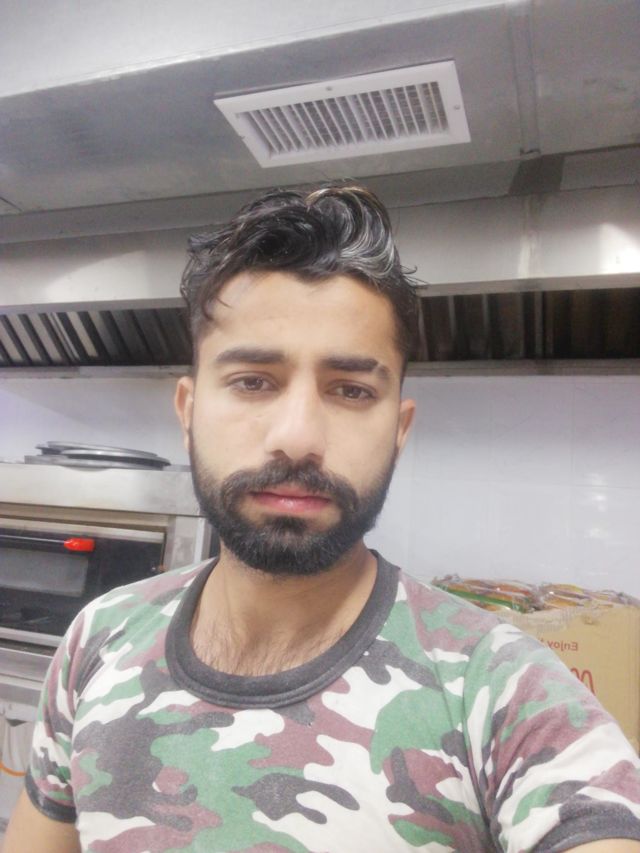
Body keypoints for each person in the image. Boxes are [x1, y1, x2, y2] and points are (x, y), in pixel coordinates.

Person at [5, 184, 640, 853]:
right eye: (253, 381)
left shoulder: (503, 689)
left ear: (399, 429)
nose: (298, 437)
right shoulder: (96, 640)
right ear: (188, 410)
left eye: (351, 390)